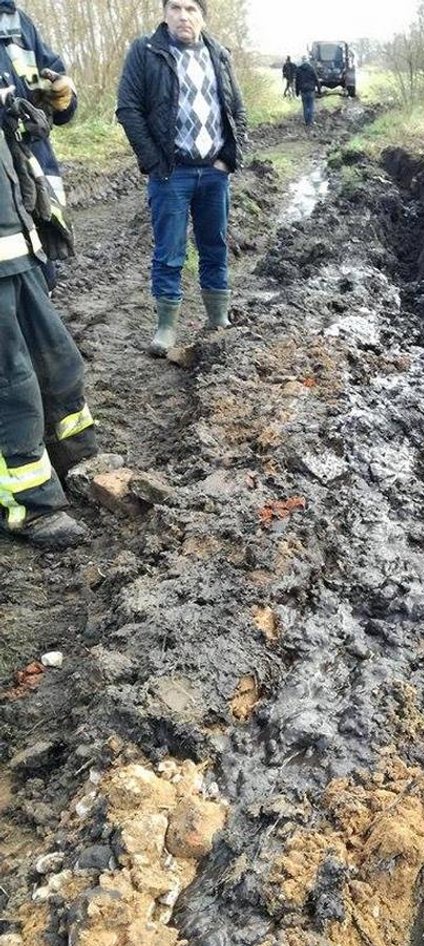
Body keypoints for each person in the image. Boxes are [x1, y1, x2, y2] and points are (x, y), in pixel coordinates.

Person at [116, 0, 247, 356]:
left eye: (191, 8)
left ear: (203, 15)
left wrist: (230, 159)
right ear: (164, 13)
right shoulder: (146, 52)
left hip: (214, 173)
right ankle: (166, 327)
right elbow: (128, 109)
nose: (183, 15)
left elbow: (237, 109)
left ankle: (218, 318)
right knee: (169, 252)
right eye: (175, 7)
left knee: (215, 246)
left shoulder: (218, 53)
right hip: (171, 174)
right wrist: (154, 163)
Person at [0, 85, 98, 548]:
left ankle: (77, 459)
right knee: (10, 384)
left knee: (58, 361)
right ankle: (28, 506)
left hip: (16, 245)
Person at [0, 0, 77, 290]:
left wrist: (61, 96)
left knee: (43, 276)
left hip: (35, 172)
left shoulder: (16, 21)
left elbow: (54, 83)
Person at [295, 56, 318, 128]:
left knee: (305, 106)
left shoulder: (298, 69)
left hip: (303, 90)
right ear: (307, 61)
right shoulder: (311, 69)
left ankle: (306, 122)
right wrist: (319, 89)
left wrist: (297, 91)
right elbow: (316, 79)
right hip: (311, 90)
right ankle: (310, 122)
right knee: (311, 106)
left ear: (302, 61)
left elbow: (297, 82)